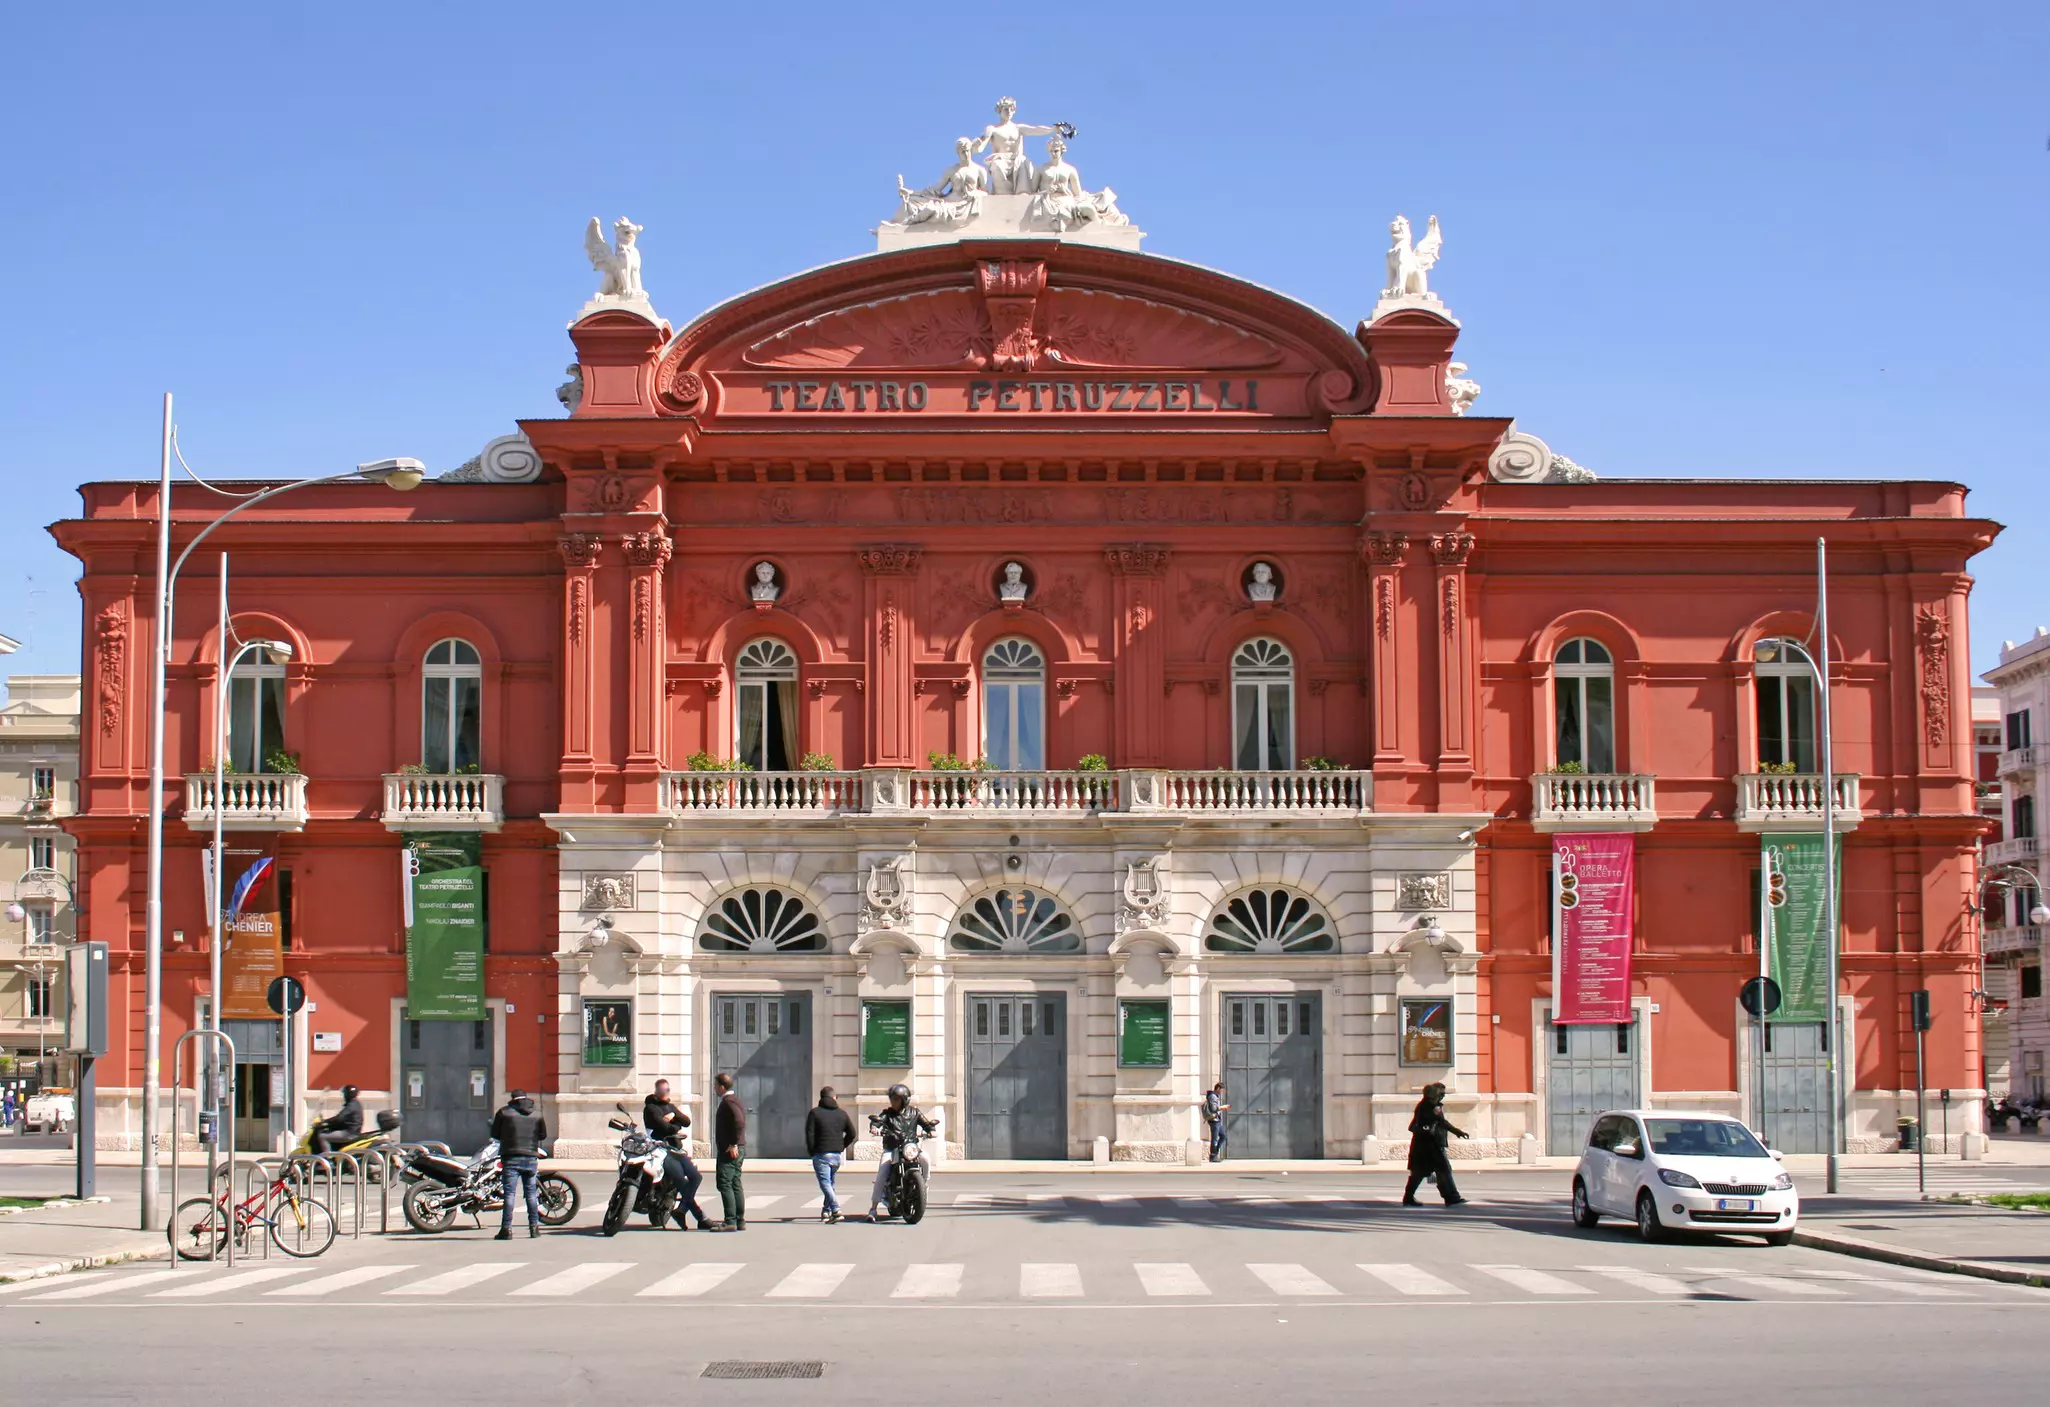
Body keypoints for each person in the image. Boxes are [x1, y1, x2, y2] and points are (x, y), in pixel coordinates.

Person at [643, 1078, 710, 1230]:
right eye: (664, 1091)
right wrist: (674, 1125)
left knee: (696, 1176)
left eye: (667, 1090)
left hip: (676, 1149)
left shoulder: (670, 1106)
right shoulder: (651, 1108)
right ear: (657, 1092)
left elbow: (686, 1121)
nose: (667, 1093)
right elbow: (666, 1128)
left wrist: (673, 1118)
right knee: (681, 1180)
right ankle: (701, 1217)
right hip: (661, 1150)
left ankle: (681, 1211)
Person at [868, 1083, 938, 1221]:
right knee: (882, 1171)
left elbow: (926, 1124)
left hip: (910, 1148)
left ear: (904, 1099)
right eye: (892, 1099)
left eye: (896, 1099)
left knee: (925, 1159)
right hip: (892, 1148)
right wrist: (875, 1127)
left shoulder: (914, 1112)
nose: (893, 1102)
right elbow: (878, 1121)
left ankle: (923, 1185)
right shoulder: (887, 1114)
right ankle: (873, 1209)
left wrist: (931, 1130)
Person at [489, 1089, 550, 1239]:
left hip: (510, 1157)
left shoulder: (504, 1112)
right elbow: (543, 1134)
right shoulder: (537, 1113)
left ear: (513, 1098)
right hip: (530, 1157)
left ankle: (506, 1229)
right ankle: (534, 1228)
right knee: (531, 1194)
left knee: (509, 1194)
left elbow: (495, 1134)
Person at [1402, 1082, 1469, 1207]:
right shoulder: (1433, 1107)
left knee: (1420, 1172)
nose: (1443, 1096)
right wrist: (1458, 1132)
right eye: (1442, 1094)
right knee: (1443, 1170)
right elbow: (1442, 1122)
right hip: (1432, 1145)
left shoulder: (1423, 1105)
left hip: (1423, 1145)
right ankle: (1452, 1197)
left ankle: (1409, 1197)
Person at [804, 1086, 857, 1223]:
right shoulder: (842, 1113)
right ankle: (826, 1211)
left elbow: (810, 1134)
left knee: (825, 1184)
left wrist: (812, 1151)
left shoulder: (814, 1113)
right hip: (836, 1155)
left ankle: (835, 1209)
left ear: (821, 1098)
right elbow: (852, 1133)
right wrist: (842, 1145)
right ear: (834, 1098)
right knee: (830, 1183)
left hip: (821, 1154)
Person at [711, 1073, 747, 1231]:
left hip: (730, 1149)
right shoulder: (735, 1100)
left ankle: (730, 1221)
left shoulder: (728, 1102)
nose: (714, 1088)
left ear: (721, 1086)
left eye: (715, 1085)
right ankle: (739, 1220)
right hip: (737, 1147)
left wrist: (733, 1143)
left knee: (725, 1183)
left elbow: (739, 1122)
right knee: (735, 1182)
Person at [311, 1084, 364, 1154]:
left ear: (347, 1095)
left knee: (322, 1136)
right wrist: (327, 1121)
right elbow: (341, 1118)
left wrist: (326, 1123)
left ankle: (328, 1158)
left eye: (344, 1094)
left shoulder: (351, 1105)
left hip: (348, 1133)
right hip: (352, 1131)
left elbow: (339, 1118)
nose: (343, 1096)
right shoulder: (355, 1103)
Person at [1204, 1082, 1230, 1162]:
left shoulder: (1215, 1096)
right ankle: (1213, 1156)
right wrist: (1223, 1107)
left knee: (1223, 1136)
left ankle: (1215, 1153)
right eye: (1222, 1090)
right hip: (1214, 1120)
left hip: (1217, 1120)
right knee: (1214, 1139)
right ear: (1218, 1088)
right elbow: (1213, 1108)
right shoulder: (1212, 1096)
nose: (1222, 1092)